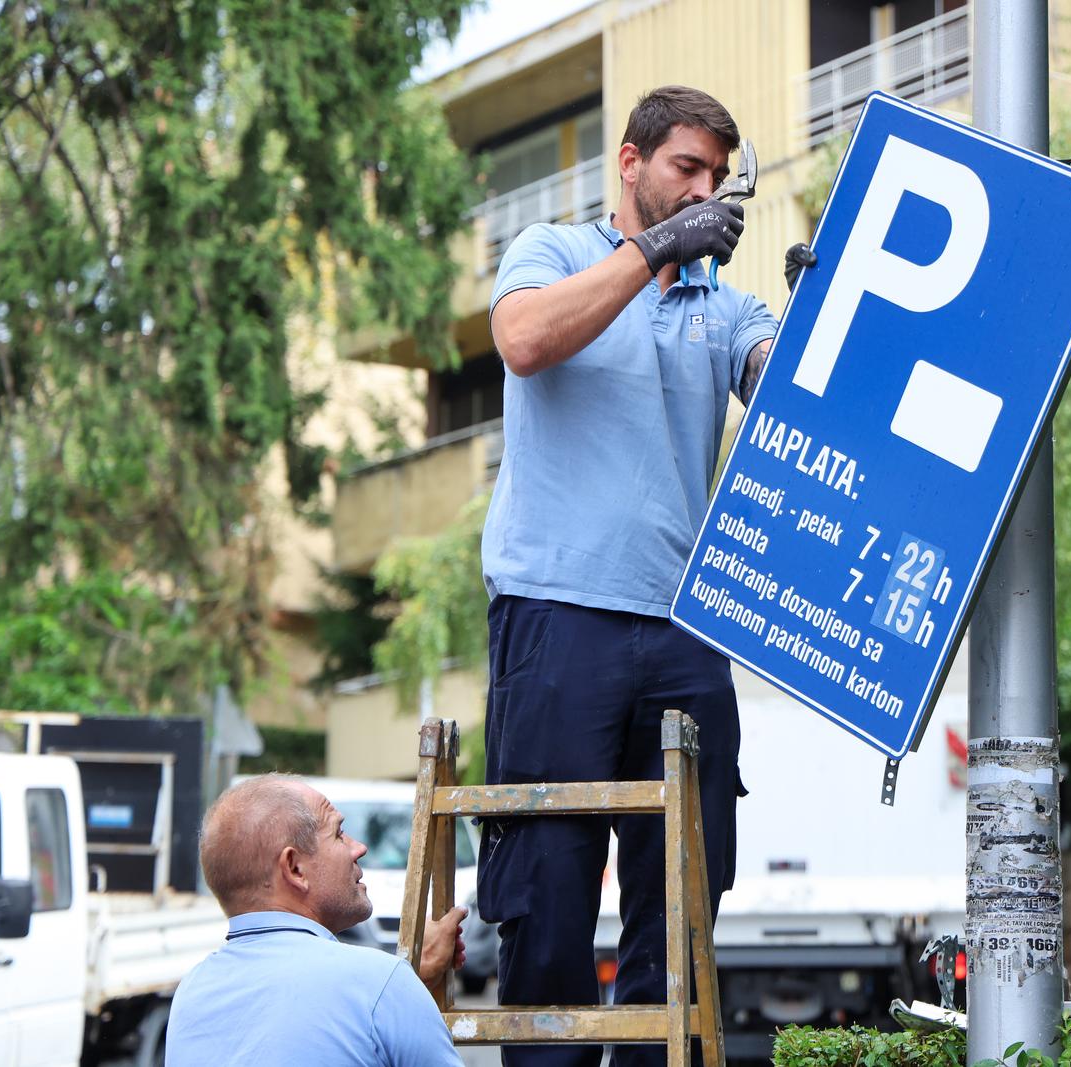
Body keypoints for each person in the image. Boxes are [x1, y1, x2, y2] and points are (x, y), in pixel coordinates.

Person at [479, 85, 791, 1067]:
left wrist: (822, 324)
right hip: (556, 614)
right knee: (548, 885)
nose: (704, 192)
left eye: (717, 177)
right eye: (685, 168)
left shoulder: (724, 305)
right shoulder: (551, 251)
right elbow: (524, 341)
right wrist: (652, 249)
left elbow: (783, 390)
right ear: (630, 162)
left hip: (681, 626)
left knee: (685, 892)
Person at [166, 774, 467, 1066]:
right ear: (294, 868)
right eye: (338, 833)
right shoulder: (381, 983)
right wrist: (399, 989)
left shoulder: (192, 993)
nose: (358, 848)